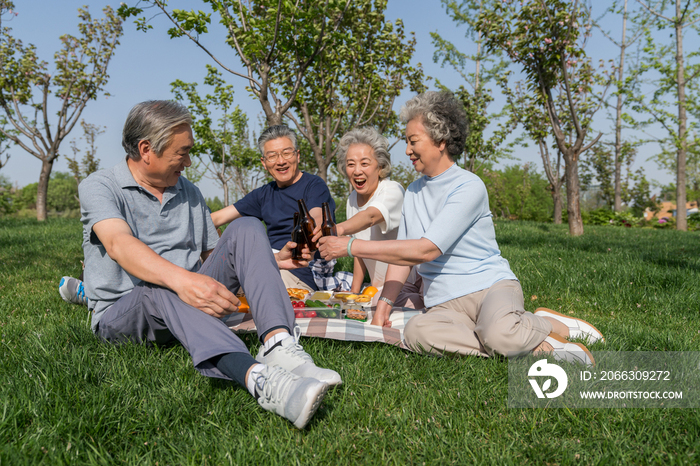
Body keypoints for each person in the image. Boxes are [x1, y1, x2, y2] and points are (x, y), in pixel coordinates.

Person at [79, 101, 341, 429]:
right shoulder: (100, 186)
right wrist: (183, 282)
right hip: (125, 316)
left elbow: (214, 257)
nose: (188, 162)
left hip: (185, 302)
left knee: (245, 228)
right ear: (146, 149)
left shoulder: (189, 192)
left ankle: (277, 344)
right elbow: (119, 244)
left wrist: (274, 259)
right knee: (161, 286)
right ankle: (260, 380)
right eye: (182, 152)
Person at [318, 91, 603, 366]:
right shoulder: (414, 192)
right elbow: (401, 260)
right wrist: (383, 307)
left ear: (440, 140)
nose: (407, 150)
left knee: (498, 334)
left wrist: (351, 245)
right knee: (416, 334)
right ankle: (516, 338)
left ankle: (544, 326)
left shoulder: (468, 185)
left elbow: (427, 249)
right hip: (444, 304)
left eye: (413, 141)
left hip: (489, 288)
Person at [211, 125, 348, 292]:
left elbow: (316, 219)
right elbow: (216, 219)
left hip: (299, 271)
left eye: (286, 153)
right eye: (272, 156)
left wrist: (307, 238)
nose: (281, 161)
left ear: (297, 155)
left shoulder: (314, 185)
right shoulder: (263, 194)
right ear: (264, 162)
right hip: (268, 264)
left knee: (258, 280)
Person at [311, 127, 423, 308]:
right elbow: (357, 251)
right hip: (378, 287)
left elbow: (371, 216)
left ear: (380, 166)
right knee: (361, 303)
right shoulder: (352, 199)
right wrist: (354, 292)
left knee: (381, 304)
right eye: (350, 164)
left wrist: (336, 230)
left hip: (408, 283)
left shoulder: (392, 190)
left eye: (364, 163)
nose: (357, 171)